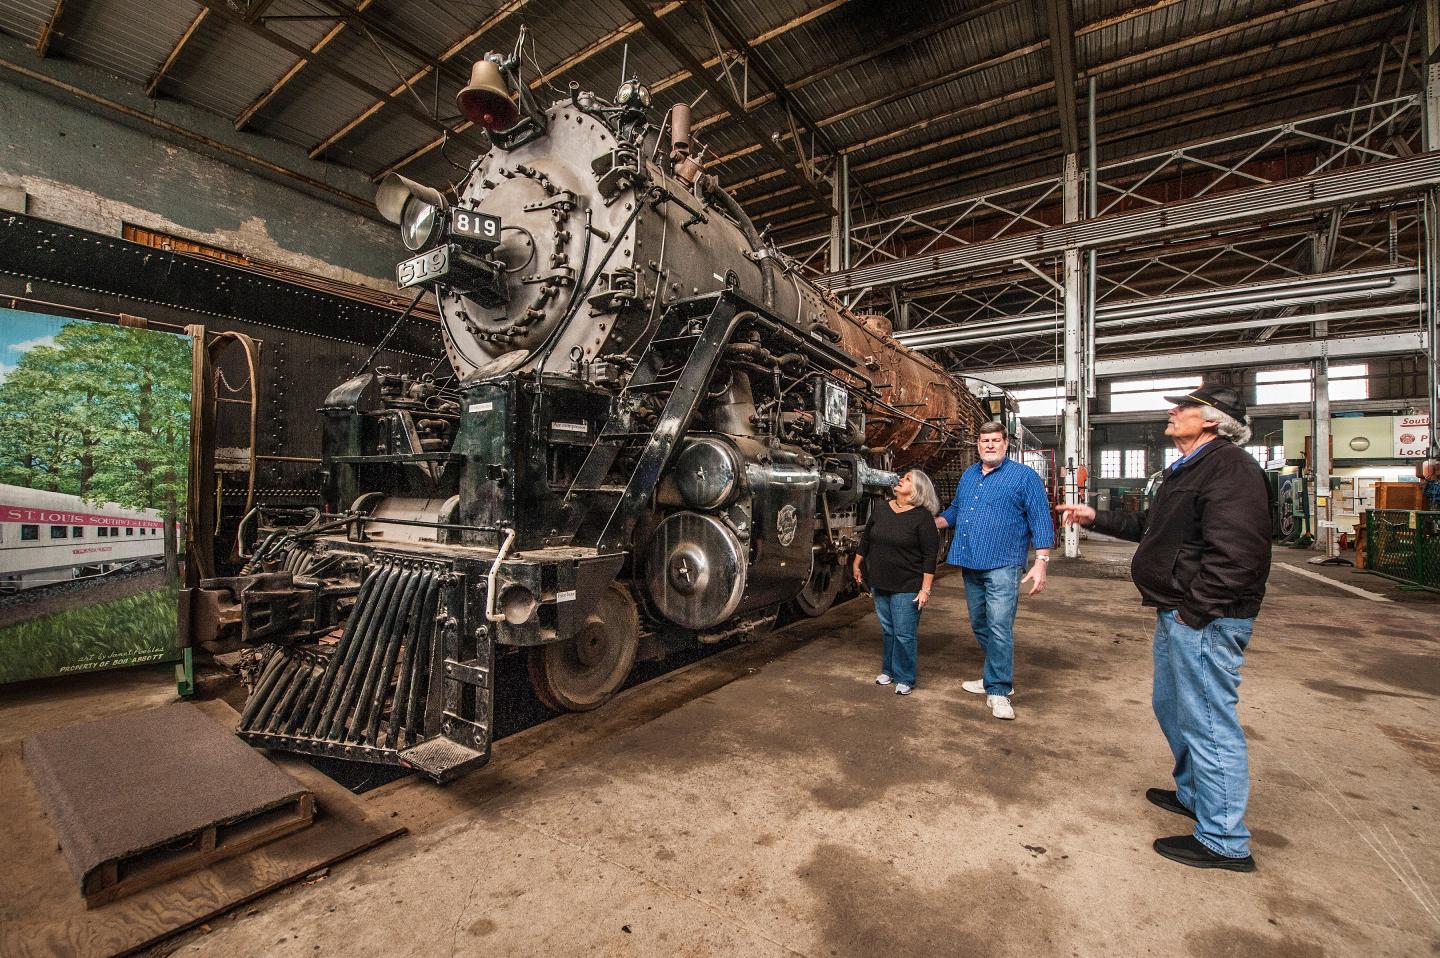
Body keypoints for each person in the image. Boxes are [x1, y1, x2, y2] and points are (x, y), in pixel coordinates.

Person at [1059, 383, 1269, 873]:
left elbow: (1239, 556)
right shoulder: (1189, 468)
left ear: (1212, 420)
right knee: (1173, 707)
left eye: (1185, 407)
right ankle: (1195, 794)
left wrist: (1196, 612)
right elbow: (1151, 528)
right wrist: (1095, 518)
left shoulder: (1231, 469)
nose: (1174, 412)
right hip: (1178, 611)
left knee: (1208, 722)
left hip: (1203, 618)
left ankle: (1224, 839)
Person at [935, 421, 1053, 720]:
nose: (989, 445)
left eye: (995, 440)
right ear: (978, 444)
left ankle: (999, 689)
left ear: (1005, 443)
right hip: (971, 560)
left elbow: (1040, 518)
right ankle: (993, 674)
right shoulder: (969, 475)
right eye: (984, 440)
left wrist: (1041, 561)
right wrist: (930, 522)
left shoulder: (1024, 477)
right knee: (980, 623)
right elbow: (956, 511)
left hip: (1004, 563)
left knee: (999, 626)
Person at [852, 469, 941, 696]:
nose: (901, 479)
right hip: (880, 580)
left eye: (908, 479)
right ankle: (888, 671)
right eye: (904, 477)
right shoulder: (882, 508)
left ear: (918, 490)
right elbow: (867, 538)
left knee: (904, 633)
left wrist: (925, 589)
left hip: (907, 584)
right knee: (889, 630)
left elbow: (930, 556)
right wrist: (857, 562)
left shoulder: (922, 518)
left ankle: (905, 677)